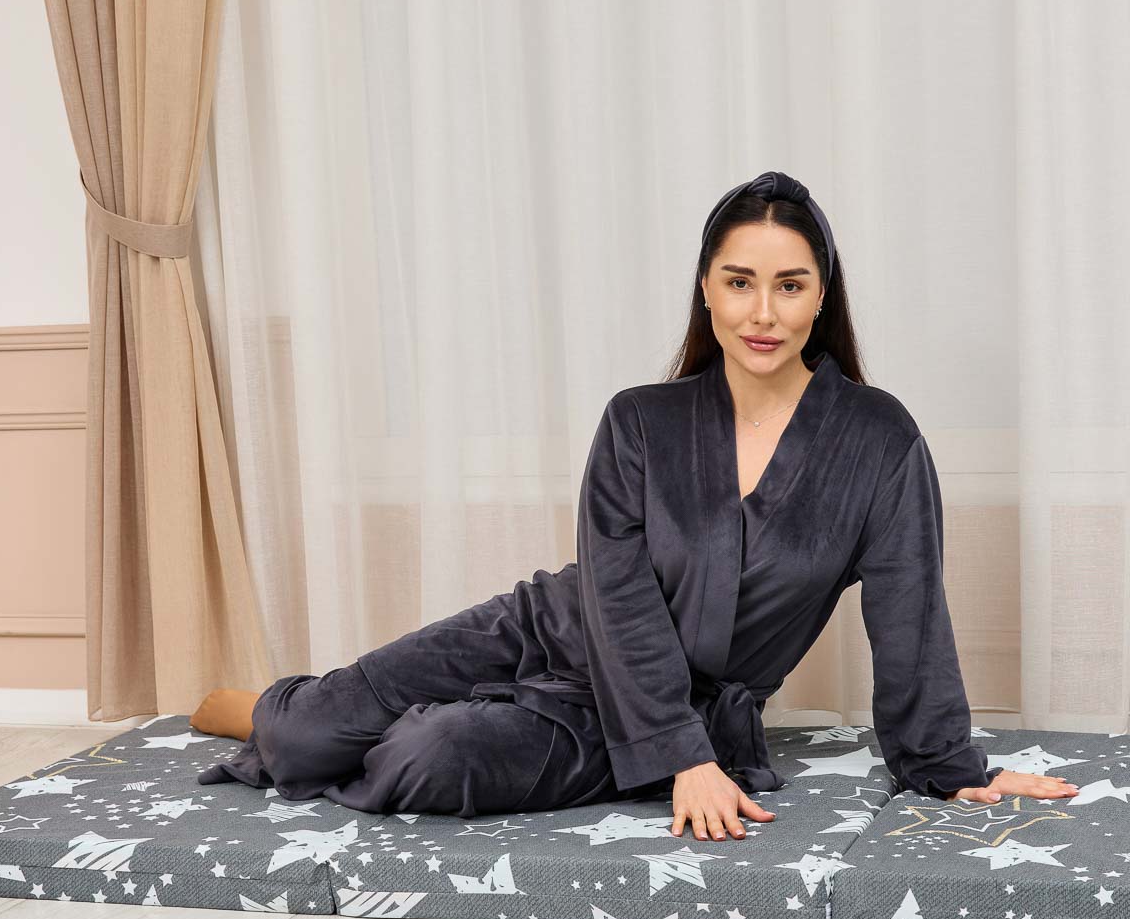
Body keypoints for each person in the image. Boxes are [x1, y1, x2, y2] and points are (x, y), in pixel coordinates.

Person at [191, 170, 1079, 841]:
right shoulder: (640, 420)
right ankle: (275, 712)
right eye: (739, 281)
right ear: (706, 288)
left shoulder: (878, 440)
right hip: (547, 629)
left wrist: (943, 765)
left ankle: (383, 727)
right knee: (306, 732)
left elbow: (909, 611)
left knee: (433, 756)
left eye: (790, 285)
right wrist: (684, 762)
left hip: (658, 709)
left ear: (821, 295)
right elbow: (616, 595)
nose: (763, 312)